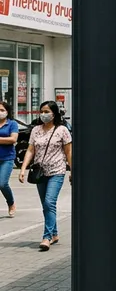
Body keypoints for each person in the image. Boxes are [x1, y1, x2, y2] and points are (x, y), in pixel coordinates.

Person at [19, 100, 72, 251]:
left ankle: (46, 237)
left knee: (49, 202)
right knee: (46, 205)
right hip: (40, 173)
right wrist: (23, 168)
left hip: (57, 171)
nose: (43, 114)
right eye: (41, 111)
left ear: (54, 114)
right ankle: (54, 234)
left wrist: (72, 171)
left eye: (47, 111)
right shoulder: (36, 130)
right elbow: (30, 150)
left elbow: (69, 152)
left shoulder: (62, 130)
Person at [0, 101, 18, 217]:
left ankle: (11, 203)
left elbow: (13, 139)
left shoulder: (12, 124)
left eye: (2, 110)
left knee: (2, 183)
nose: (0, 113)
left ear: (7, 112)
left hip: (7, 158)